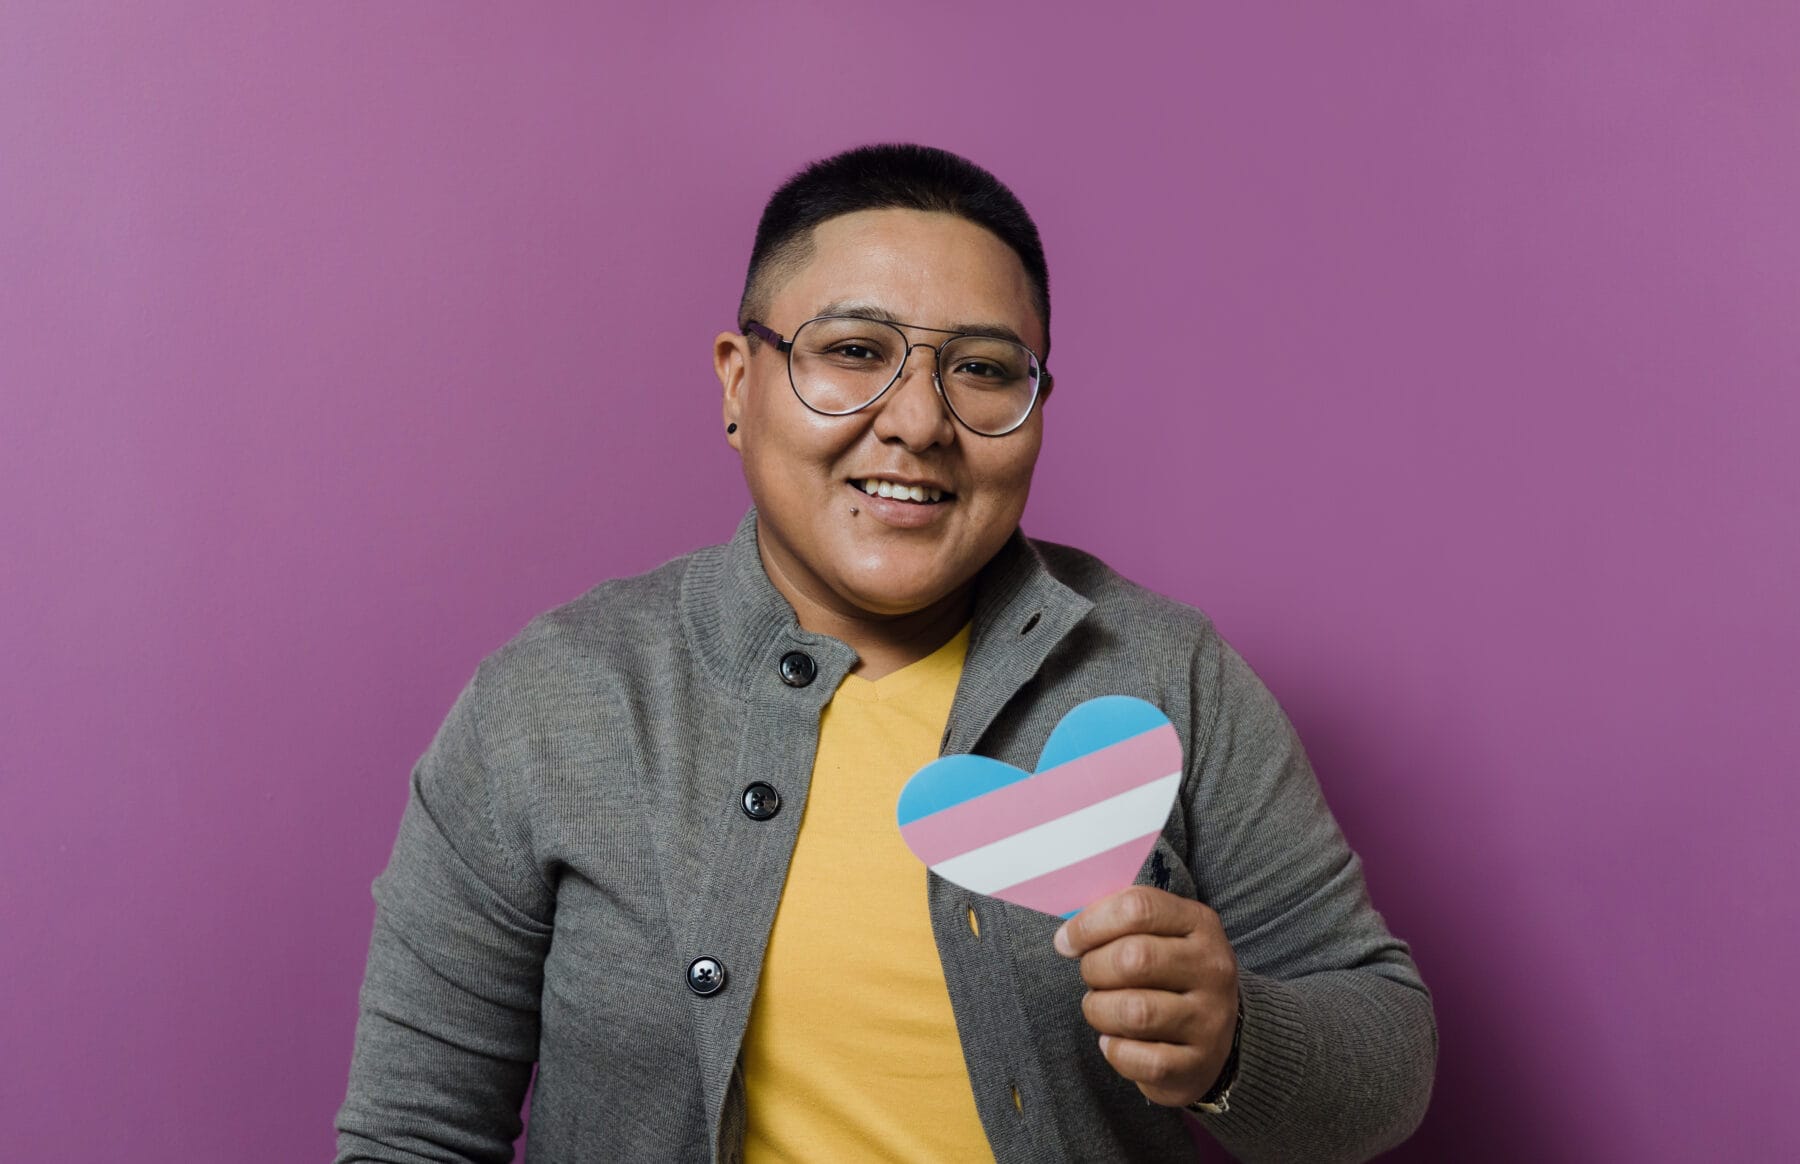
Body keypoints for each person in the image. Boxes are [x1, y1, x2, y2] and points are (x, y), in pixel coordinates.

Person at [335, 143, 1437, 1163]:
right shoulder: (551, 704)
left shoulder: (1165, 672)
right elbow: (411, 1137)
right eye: (855, 351)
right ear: (738, 380)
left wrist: (1237, 1038)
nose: (918, 420)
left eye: (986, 370)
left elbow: (1386, 1048)